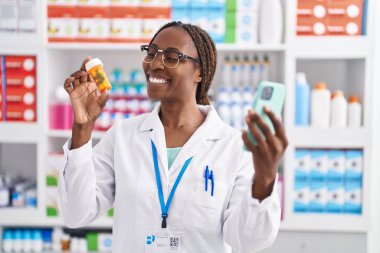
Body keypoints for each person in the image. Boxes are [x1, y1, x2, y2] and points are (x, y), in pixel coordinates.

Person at [58, 21, 288, 253]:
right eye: (151, 53)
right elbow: (76, 213)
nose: (154, 64)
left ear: (199, 72)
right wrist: (83, 128)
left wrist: (265, 179)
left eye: (171, 57)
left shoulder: (234, 147)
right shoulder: (123, 136)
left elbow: (248, 241)